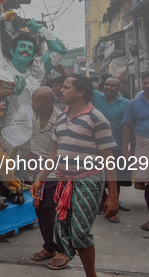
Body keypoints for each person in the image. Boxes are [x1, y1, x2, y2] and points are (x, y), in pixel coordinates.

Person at [31, 75, 118, 275]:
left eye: (67, 87)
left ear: (80, 92)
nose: (62, 90)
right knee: (64, 230)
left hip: (88, 180)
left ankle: (91, 275)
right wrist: (40, 179)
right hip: (64, 180)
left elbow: (109, 161)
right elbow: (54, 155)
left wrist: (113, 196)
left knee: (80, 232)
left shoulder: (97, 118)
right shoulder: (62, 117)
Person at [122, 70, 149, 233]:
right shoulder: (134, 103)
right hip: (143, 146)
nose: (148, 86)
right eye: (145, 83)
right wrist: (126, 150)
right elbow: (127, 127)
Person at [27, 87, 64, 267]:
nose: (33, 104)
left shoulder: (61, 120)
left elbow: (57, 153)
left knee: (52, 211)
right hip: (36, 167)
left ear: (50, 102)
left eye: (37, 101)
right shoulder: (35, 115)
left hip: (54, 172)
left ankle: (60, 250)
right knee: (39, 209)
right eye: (32, 100)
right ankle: (49, 246)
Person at [93, 77, 131, 221]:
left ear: (119, 87)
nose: (109, 87)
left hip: (117, 146)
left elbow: (129, 127)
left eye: (113, 85)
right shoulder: (97, 96)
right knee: (99, 176)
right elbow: (80, 86)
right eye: (107, 84)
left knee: (115, 179)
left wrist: (127, 149)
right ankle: (103, 201)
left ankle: (113, 204)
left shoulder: (127, 104)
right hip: (97, 146)